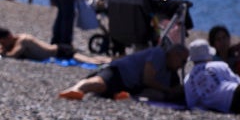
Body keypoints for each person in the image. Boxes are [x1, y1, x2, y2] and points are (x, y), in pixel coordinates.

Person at [57, 44, 189, 101]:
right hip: (118, 72)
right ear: (173, 54)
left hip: (128, 85)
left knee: (107, 91)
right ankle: (76, 89)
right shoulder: (158, 54)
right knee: (100, 83)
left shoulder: (170, 74)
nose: (182, 66)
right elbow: (147, 79)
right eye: (182, 61)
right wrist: (167, 90)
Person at [0, 27, 109, 65]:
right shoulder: (14, 42)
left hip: (60, 51)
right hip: (58, 50)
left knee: (92, 62)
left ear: (9, 36)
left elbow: (13, 55)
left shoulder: (23, 40)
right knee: (91, 59)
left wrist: (0, 53)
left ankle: (112, 61)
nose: (3, 45)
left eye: (3, 42)